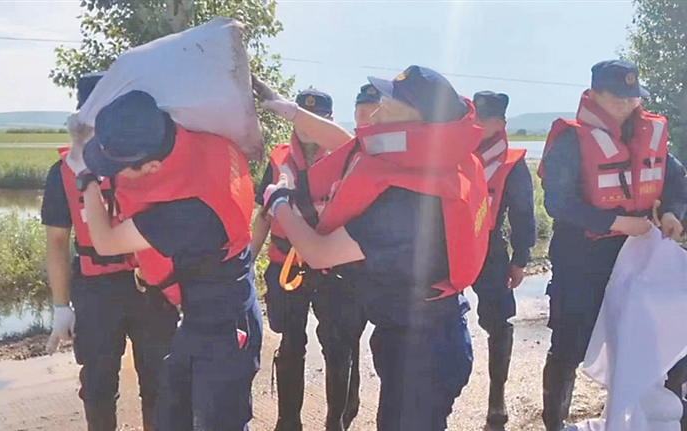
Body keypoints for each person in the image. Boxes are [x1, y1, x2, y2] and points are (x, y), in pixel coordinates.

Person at [254, 65, 491, 431]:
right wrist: (289, 110)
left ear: (416, 120)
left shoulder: (406, 202)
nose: (375, 115)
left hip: (422, 348)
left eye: (387, 107)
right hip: (425, 328)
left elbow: (318, 252)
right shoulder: (444, 158)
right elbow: (353, 144)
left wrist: (279, 201)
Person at [64, 89, 262, 431]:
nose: (112, 175)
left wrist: (87, 180)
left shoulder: (190, 210)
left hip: (223, 322)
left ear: (153, 166)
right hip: (200, 312)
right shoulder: (203, 139)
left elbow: (106, 242)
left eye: (117, 169)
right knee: (173, 415)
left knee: (220, 421)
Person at [538, 59, 687, 431]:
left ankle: (664, 418)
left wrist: (673, 212)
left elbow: (675, 180)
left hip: (637, 258)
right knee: (569, 344)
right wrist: (617, 223)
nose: (627, 105)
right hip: (582, 259)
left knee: (661, 338)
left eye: (633, 98)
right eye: (618, 98)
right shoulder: (572, 140)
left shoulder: (647, 133)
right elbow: (557, 202)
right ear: (594, 95)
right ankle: (554, 423)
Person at [43, 72, 179, 431]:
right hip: (95, 291)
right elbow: (56, 241)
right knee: (98, 385)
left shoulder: (143, 159)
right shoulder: (62, 173)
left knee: (160, 380)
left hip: (150, 284)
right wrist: (61, 306)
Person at [251, 89, 365, 431]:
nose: (305, 124)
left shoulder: (348, 158)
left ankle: (336, 423)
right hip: (286, 265)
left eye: (315, 117)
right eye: (301, 114)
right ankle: (288, 422)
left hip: (335, 269)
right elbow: (263, 216)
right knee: (290, 343)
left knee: (338, 346)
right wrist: (245, 263)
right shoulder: (278, 159)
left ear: (327, 120)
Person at [470, 91, 537, 429]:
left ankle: (497, 398)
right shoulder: (451, 152)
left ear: (501, 123)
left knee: (499, 322)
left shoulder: (512, 163)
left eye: (485, 119)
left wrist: (520, 259)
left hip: (489, 247)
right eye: (474, 117)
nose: (477, 123)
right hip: (445, 247)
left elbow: (523, 213)